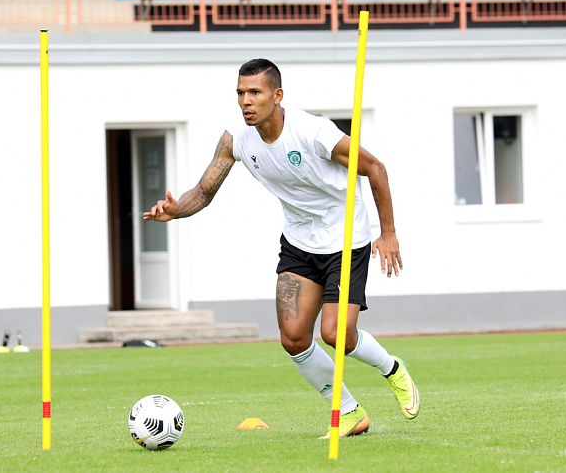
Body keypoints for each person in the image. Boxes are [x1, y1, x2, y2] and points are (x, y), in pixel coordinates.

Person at [144, 58, 420, 438]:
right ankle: (349, 412)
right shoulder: (235, 140)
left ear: (277, 95)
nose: (246, 101)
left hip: (344, 238)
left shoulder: (313, 132)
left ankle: (392, 368)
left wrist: (388, 233)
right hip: (298, 241)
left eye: (254, 92)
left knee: (337, 334)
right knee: (293, 338)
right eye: (240, 93)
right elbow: (204, 192)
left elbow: (375, 168)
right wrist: (176, 211)